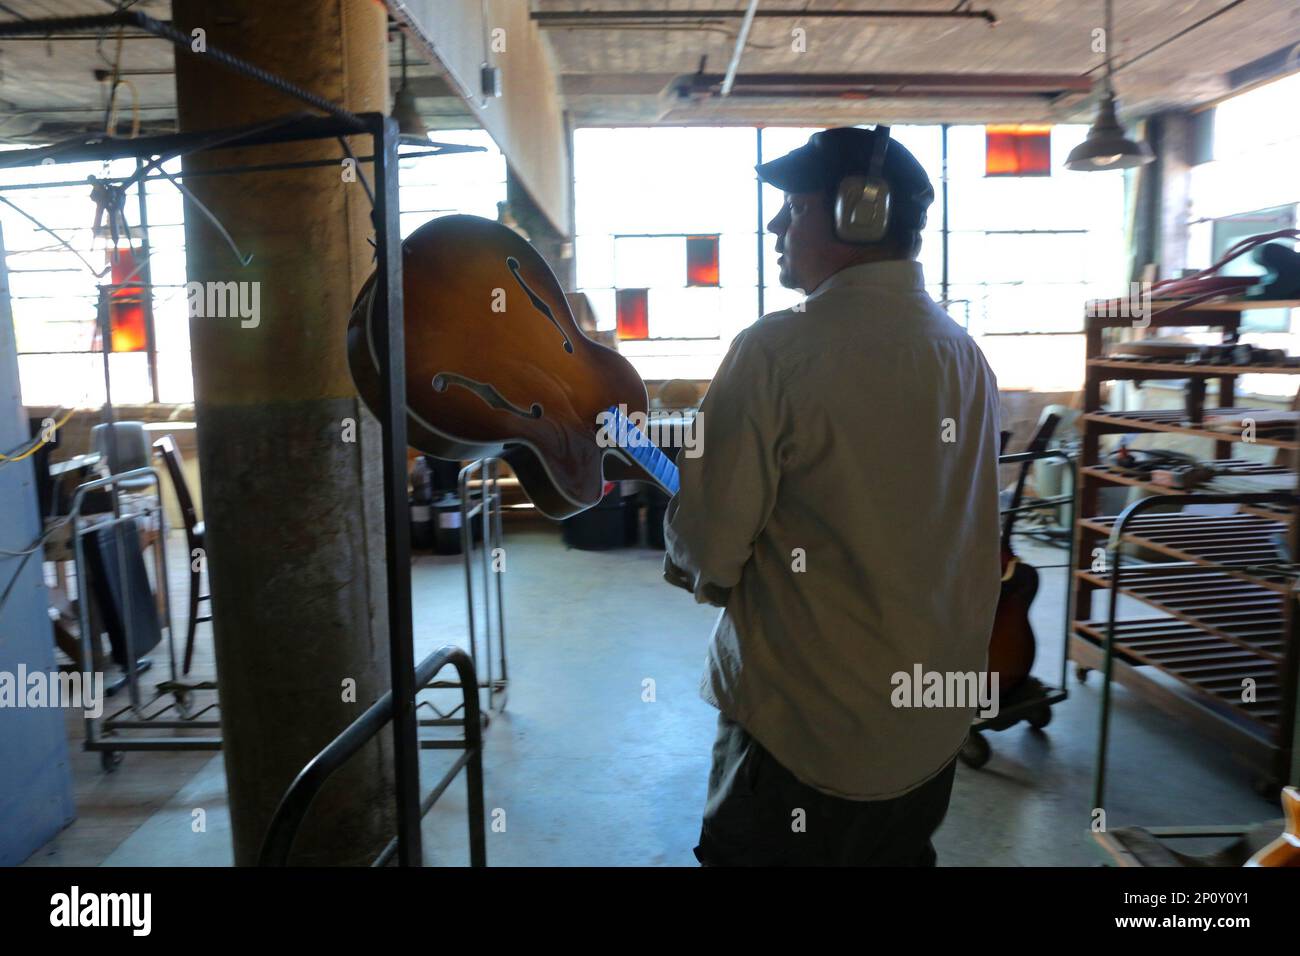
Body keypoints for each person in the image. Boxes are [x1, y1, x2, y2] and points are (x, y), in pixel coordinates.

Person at [662, 126, 1002, 866]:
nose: (777, 225)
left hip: (804, 731)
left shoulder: (777, 349)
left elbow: (712, 549)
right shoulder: (964, 354)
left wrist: (686, 512)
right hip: (927, 726)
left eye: (795, 206)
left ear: (861, 213)